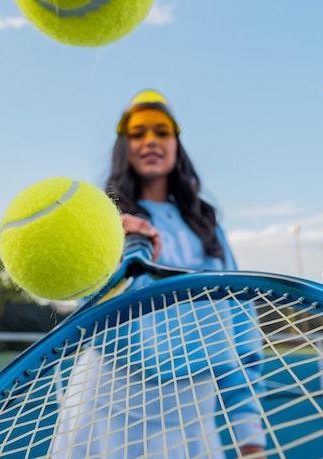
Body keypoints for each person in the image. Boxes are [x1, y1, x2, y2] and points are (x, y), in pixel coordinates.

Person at [50, 90, 267, 457]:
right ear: (124, 147)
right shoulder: (104, 220)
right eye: (138, 133)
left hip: (192, 412)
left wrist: (249, 435)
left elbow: (240, 326)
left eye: (161, 132)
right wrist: (110, 247)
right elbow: (87, 305)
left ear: (176, 145)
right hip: (106, 405)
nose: (150, 140)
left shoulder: (208, 228)